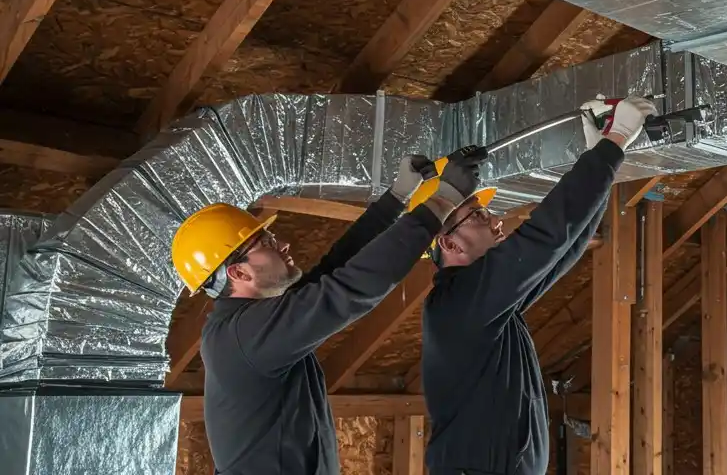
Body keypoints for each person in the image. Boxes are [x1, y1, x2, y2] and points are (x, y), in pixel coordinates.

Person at [171, 147, 491, 475]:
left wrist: (396, 197)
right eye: (265, 243)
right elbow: (349, 288)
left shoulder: (253, 321)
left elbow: (337, 266)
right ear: (238, 273)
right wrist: (443, 200)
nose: (282, 245)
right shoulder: (246, 335)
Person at [420, 95, 657, 475]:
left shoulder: (481, 303)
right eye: (479, 216)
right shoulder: (459, 302)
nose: (496, 222)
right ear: (448, 243)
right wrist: (612, 144)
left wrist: (603, 154)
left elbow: (562, 247)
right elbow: (544, 238)